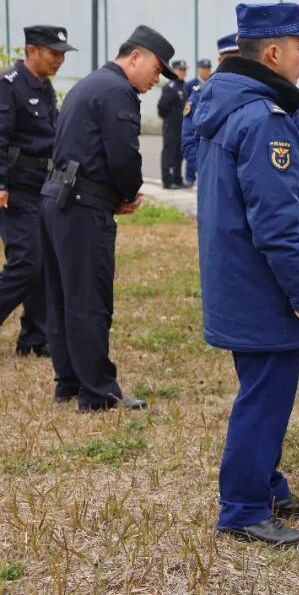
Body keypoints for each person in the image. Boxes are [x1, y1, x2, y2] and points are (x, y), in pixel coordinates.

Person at [193, 2, 299, 548]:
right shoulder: (264, 119)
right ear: (273, 52)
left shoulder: (233, 107)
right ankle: (243, 507)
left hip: (240, 281)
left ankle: (266, 485)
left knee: (264, 391)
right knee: (265, 398)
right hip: (263, 287)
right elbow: (277, 223)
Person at [40, 25, 175, 410]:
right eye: (156, 69)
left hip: (58, 199)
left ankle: (69, 383)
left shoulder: (90, 83)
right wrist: (127, 194)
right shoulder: (118, 91)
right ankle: (97, 392)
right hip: (82, 207)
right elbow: (123, 157)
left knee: (62, 297)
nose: (156, 79)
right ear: (136, 57)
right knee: (89, 300)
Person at [0, 25, 75, 357]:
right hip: (15, 189)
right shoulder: (8, 85)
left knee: (45, 262)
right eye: (53, 53)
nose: (60, 60)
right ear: (32, 51)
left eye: (62, 54)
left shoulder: (44, 87)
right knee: (27, 262)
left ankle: (34, 337)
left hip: (42, 187)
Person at [182, 35, 240, 184]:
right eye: (231, 58)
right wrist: (206, 171)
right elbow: (188, 139)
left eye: (241, 58)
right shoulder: (201, 93)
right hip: (213, 180)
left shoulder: (258, 92)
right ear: (220, 60)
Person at [180, 58, 212, 185]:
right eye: (203, 68)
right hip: (192, 120)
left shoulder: (212, 83)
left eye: (208, 68)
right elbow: (187, 102)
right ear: (199, 69)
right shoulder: (191, 85)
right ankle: (190, 177)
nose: (206, 71)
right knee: (192, 145)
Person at [156, 59, 187, 189]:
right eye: (180, 70)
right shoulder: (170, 87)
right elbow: (162, 107)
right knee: (169, 152)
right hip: (171, 126)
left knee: (179, 153)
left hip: (181, 126)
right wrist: (168, 120)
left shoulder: (182, 87)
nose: (183, 72)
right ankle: (167, 181)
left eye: (184, 70)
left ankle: (177, 179)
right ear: (173, 70)